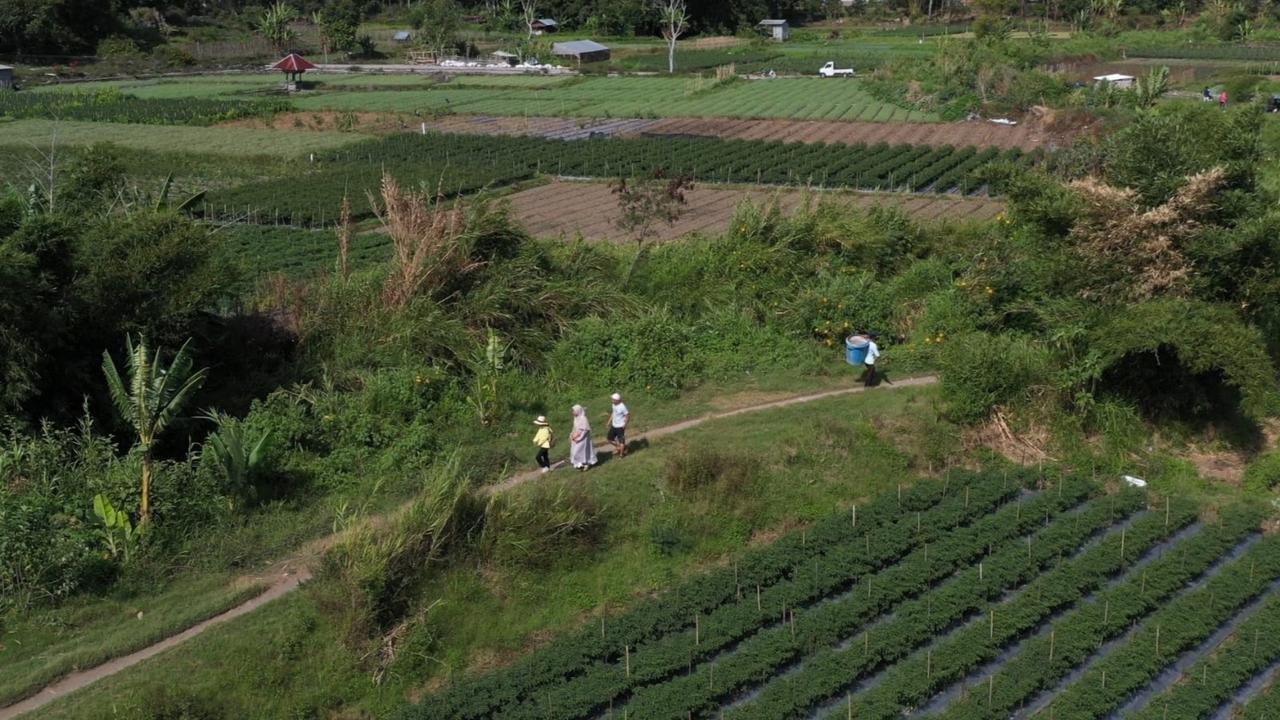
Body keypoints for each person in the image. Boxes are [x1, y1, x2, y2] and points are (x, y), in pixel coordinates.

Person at [569, 404, 597, 471]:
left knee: (581, 451)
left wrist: (578, 436)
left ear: (578, 411)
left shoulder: (583, 418)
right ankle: (580, 464)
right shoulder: (576, 418)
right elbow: (575, 428)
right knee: (575, 452)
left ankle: (586, 463)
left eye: (574, 411)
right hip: (576, 438)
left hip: (583, 439)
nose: (572, 412)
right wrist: (572, 434)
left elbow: (585, 429)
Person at [606, 392, 630, 458]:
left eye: (613, 399)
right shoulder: (613, 404)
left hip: (620, 427)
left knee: (621, 441)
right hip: (614, 425)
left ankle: (621, 455)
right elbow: (613, 413)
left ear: (617, 400)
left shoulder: (622, 407)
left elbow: (627, 416)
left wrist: (625, 425)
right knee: (609, 439)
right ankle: (618, 447)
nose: (611, 400)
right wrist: (609, 421)